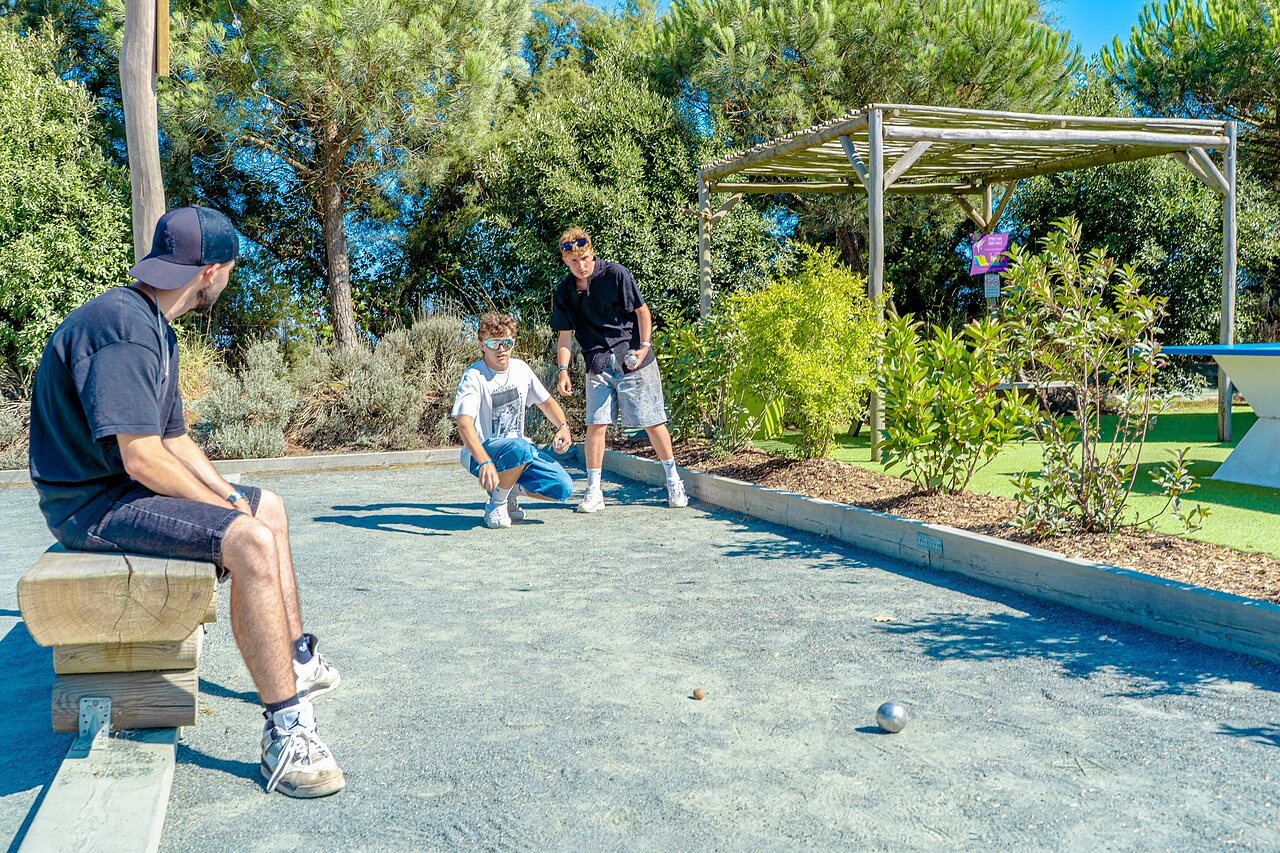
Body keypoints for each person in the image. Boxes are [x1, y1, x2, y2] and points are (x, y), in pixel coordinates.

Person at [27, 207, 344, 798]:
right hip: (92, 507)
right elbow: (141, 458)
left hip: (123, 490)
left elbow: (174, 440)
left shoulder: (153, 324)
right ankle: (287, 730)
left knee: (266, 508)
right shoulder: (122, 326)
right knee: (248, 539)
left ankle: (296, 658)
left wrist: (229, 496)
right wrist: (229, 520)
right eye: (228, 272)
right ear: (214, 271)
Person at [550, 227, 687, 512]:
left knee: (652, 421)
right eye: (575, 262)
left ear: (592, 253)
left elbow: (642, 312)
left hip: (633, 358)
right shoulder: (563, 291)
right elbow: (565, 335)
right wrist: (563, 369)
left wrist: (644, 347)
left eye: (585, 258)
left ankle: (674, 482)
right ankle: (594, 491)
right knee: (595, 425)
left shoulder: (616, 274)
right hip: (597, 362)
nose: (582, 265)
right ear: (565, 262)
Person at [452, 313, 575, 528]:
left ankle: (505, 491)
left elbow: (546, 402)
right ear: (482, 345)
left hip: (519, 453)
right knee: (519, 447)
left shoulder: (521, 369)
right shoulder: (474, 376)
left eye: (506, 343)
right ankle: (497, 504)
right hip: (480, 453)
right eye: (494, 343)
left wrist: (563, 427)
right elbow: (464, 423)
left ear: (513, 343)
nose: (501, 349)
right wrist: (485, 461)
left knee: (562, 487)